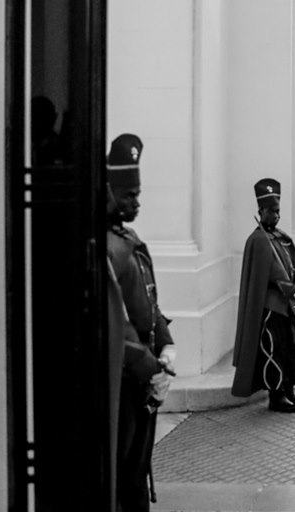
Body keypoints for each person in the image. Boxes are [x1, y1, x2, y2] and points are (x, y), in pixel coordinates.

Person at [105, 134, 176, 512]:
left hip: (144, 376)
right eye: (129, 194)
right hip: (125, 378)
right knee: (125, 472)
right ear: (109, 190)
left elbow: (149, 300)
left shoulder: (127, 238)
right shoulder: (105, 247)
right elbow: (114, 320)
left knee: (137, 468)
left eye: (138, 193)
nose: (137, 202)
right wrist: (150, 366)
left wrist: (166, 343)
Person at [231, 178, 295, 413]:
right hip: (271, 308)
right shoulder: (258, 241)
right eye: (271, 212)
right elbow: (275, 276)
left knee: (292, 348)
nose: (276, 216)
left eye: (278, 212)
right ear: (261, 212)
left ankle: (289, 389)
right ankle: (276, 397)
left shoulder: (282, 238)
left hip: (287, 306)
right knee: (274, 351)